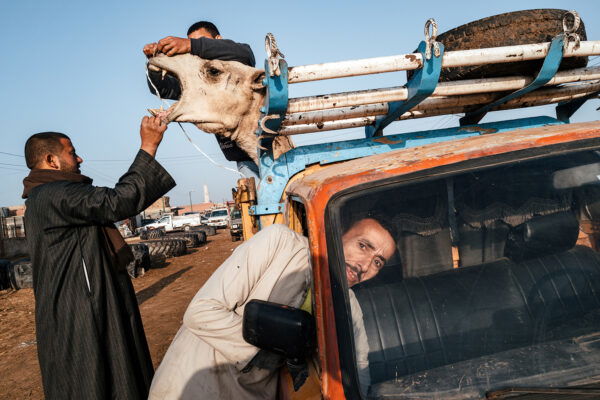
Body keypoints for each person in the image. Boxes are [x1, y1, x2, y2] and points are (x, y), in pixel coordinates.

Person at [148, 217, 396, 399]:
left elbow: (359, 362)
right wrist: (281, 355)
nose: (365, 265)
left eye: (377, 262)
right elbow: (201, 312)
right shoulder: (280, 243)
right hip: (193, 386)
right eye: (363, 246)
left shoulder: (348, 305)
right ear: (337, 232)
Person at [22, 116, 176, 399]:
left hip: (82, 304)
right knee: (95, 380)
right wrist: (149, 146)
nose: (80, 158)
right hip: (83, 311)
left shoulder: (43, 197)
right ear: (51, 160)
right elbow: (117, 202)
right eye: (71, 152)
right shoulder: (54, 193)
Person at [143, 21, 260, 179]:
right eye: (193, 41)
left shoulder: (233, 65)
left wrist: (191, 45)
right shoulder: (201, 81)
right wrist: (154, 62)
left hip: (269, 149)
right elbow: (164, 89)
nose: (197, 48)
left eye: (201, 41)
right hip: (245, 159)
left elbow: (245, 53)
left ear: (218, 39)